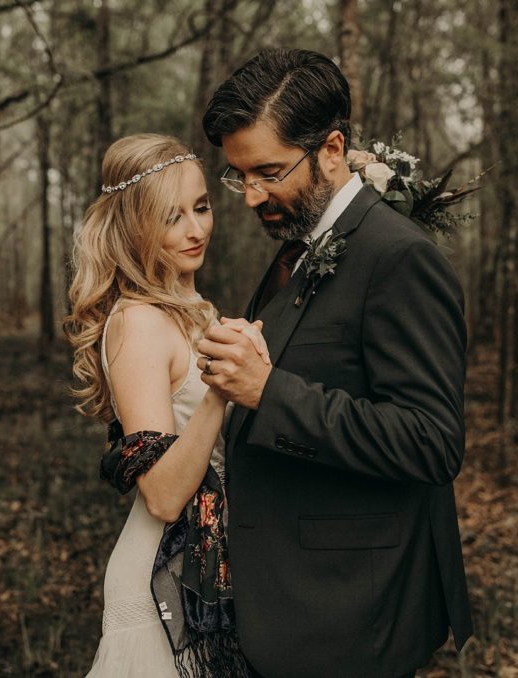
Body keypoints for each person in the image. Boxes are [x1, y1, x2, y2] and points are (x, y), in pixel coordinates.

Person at [196, 49, 474, 677]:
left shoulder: (398, 259)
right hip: (291, 603)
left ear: (331, 149)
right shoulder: (299, 246)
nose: (250, 196)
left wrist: (270, 392)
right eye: (239, 176)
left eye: (267, 172)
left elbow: (432, 442)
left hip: (349, 613)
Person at [64, 134, 261, 677]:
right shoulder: (139, 322)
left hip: (207, 568)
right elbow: (164, 495)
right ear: (134, 227)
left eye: (200, 207)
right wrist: (222, 389)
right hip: (162, 580)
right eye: (172, 217)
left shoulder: (194, 309)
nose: (196, 230)